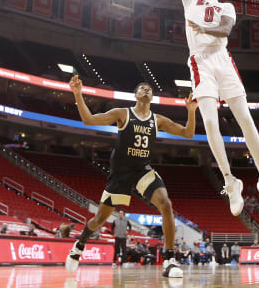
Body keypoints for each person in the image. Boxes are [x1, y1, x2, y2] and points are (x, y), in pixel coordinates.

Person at [149, 0, 259, 217]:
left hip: (223, 60)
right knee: (209, 124)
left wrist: (202, 30)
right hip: (201, 64)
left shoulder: (227, 8)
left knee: (245, 120)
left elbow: (226, 31)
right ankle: (231, 183)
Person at [65, 76, 197, 278]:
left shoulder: (157, 119)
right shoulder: (122, 113)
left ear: (152, 97)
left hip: (142, 170)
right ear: (135, 95)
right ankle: (79, 244)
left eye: (149, 89)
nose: (145, 90)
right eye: (142, 88)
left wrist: (191, 112)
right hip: (120, 174)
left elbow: (188, 133)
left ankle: (170, 260)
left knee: (166, 204)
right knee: (99, 219)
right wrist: (77, 94)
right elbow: (89, 120)